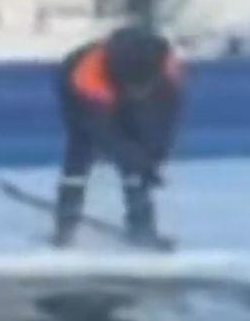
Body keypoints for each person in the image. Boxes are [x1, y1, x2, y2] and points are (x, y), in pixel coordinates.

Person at [53, 26, 183, 248]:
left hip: (126, 83)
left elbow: (164, 121)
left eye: (142, 89)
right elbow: (101, 131)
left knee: (139, 148)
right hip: (80, 94)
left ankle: (142, 225)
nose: (138, 94)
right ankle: (65, 224)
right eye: (135, 89)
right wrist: (136, 160)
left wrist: (153, 160)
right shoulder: (87, 77)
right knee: (81, 148)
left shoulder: (167, 72)